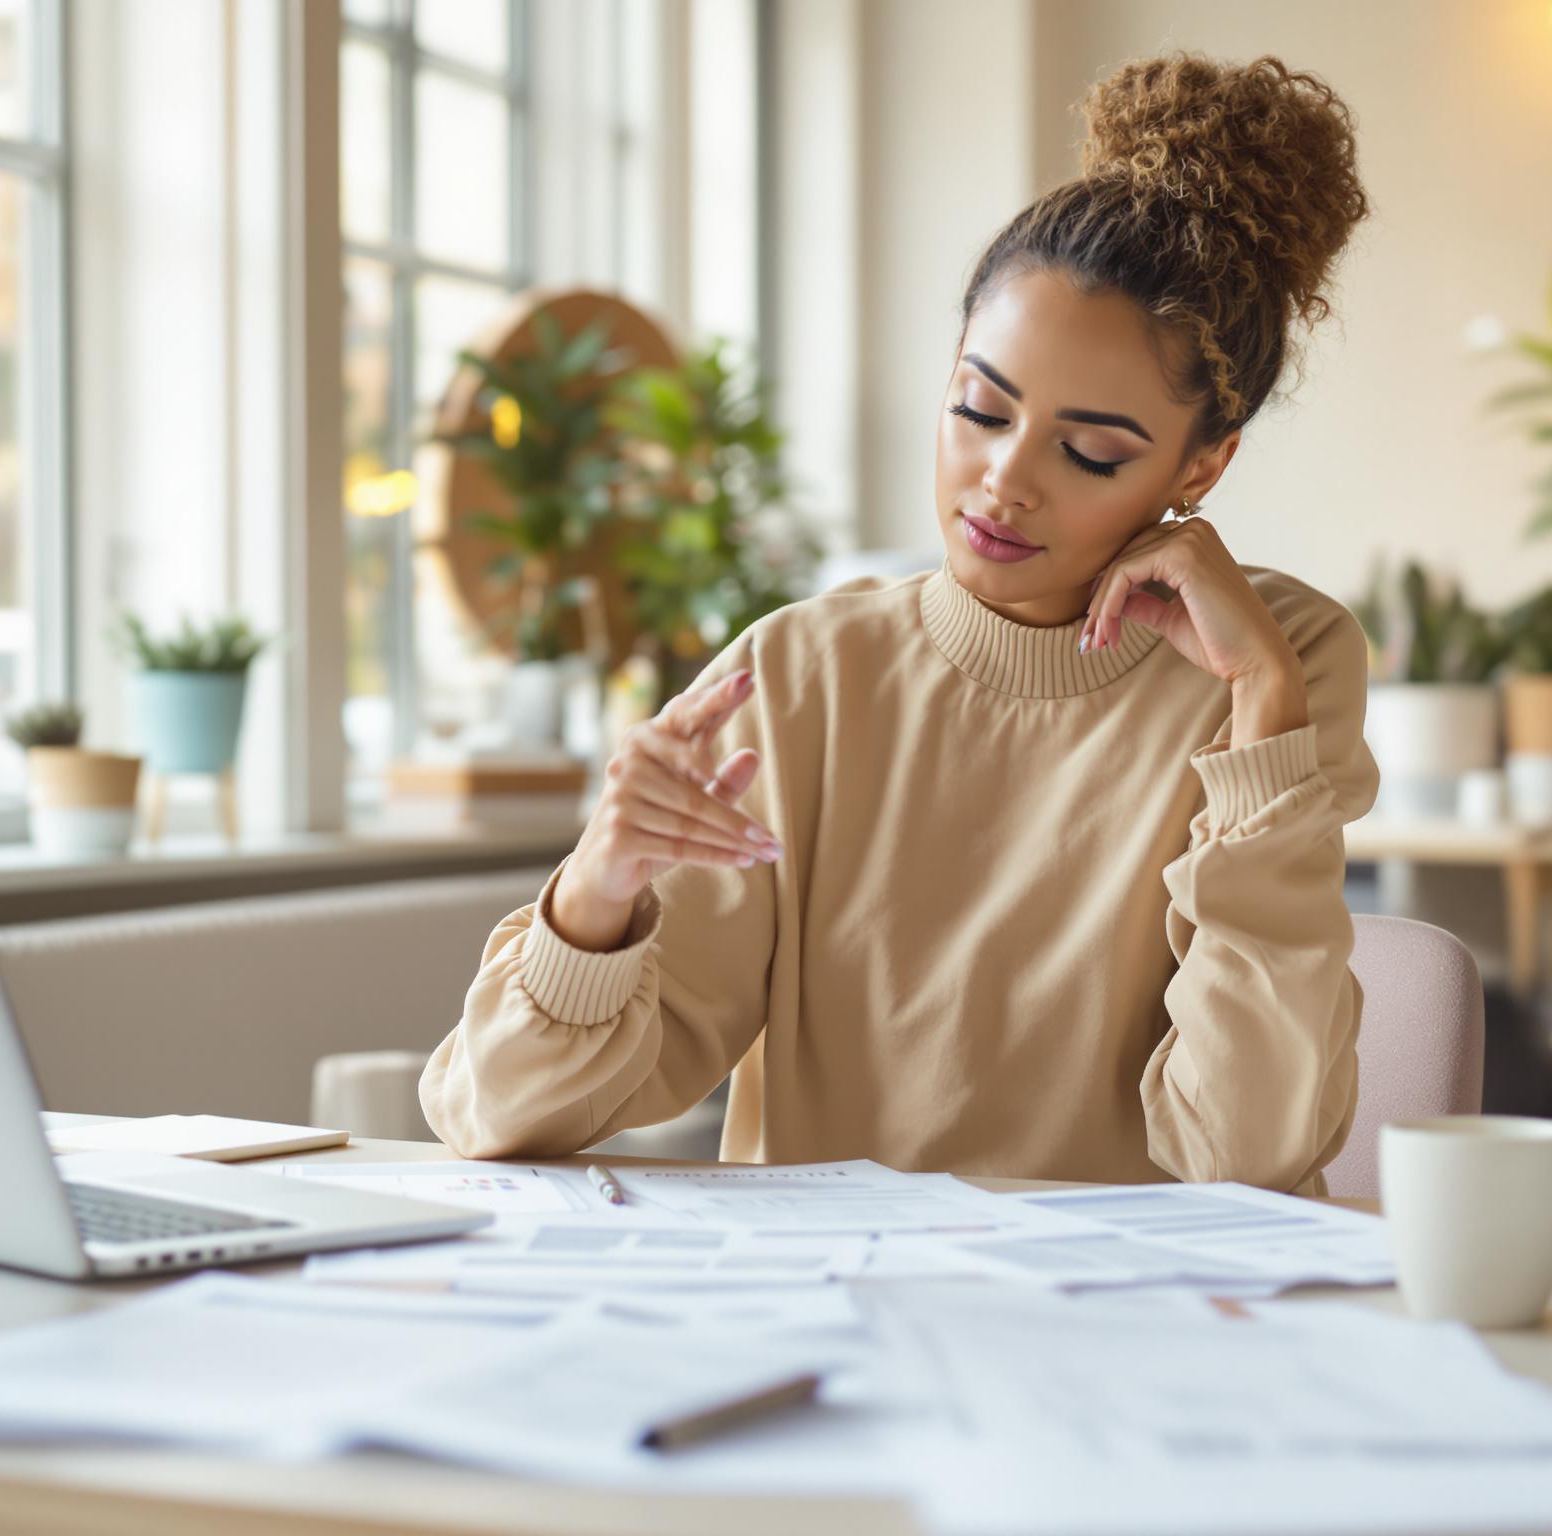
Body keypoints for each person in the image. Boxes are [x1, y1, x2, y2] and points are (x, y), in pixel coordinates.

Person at [421, 49, 1381, 1193]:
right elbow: (496, 1116)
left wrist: (1261, 717)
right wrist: (595, 897)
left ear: (1202, 465)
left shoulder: (1279, 661)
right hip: (845, 1329)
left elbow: (1247, 1154)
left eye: (1090, 452)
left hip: (1139, 1339)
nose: (1001, 481)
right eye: (978, 407)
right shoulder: (797, 678)